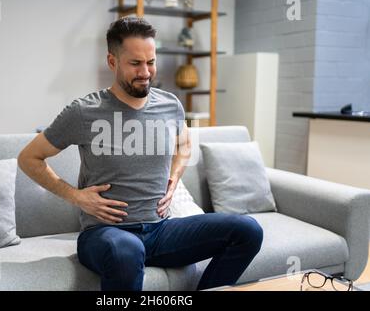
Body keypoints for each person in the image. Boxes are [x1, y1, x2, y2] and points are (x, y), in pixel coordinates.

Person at [17, 17, 263, 291]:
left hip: (161, 230)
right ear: (112, 62)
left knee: (247, 231)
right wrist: (76, 197)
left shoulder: (170, 105)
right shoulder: (84, 111)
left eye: (151, 62)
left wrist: (174, 176)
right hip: (104, 235)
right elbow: (29, 158)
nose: (145, 71)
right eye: (135, 63)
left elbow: (184, 146)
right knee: (127, 251)